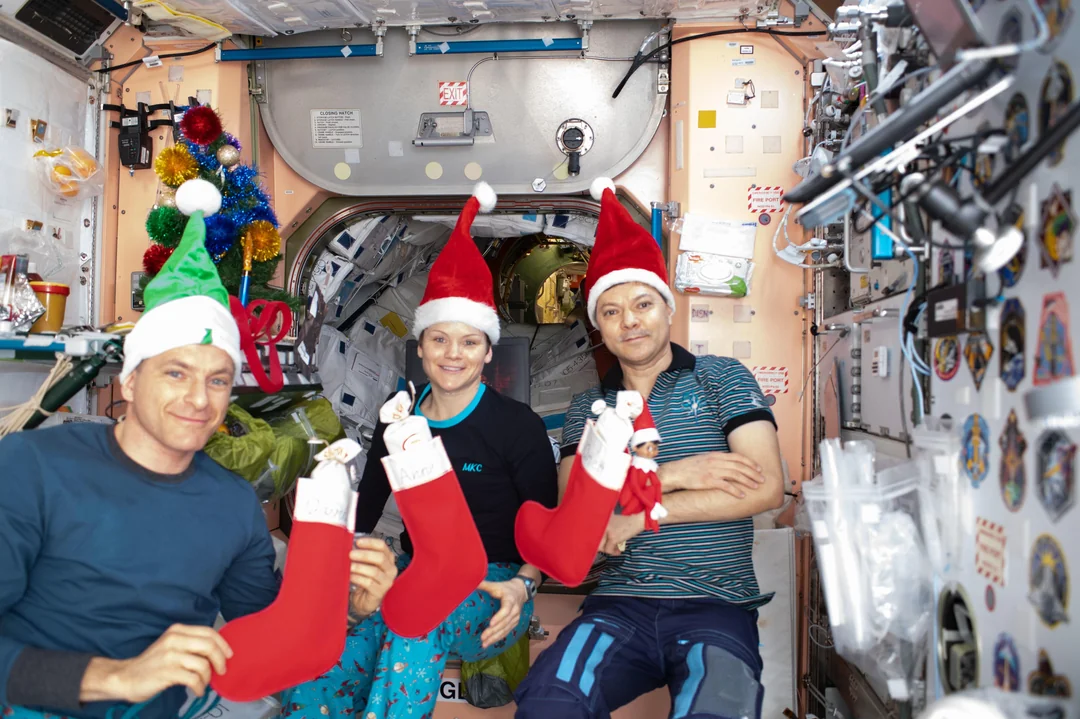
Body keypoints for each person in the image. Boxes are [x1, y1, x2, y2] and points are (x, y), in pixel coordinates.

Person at [0, 184, 397, 719]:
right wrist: (117, 676)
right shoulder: (33, 467)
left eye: (217, 380)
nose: (197, 399)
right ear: (132, 380)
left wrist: (346, 605)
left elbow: (272, 626)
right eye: (176, 373)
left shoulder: (232, 503)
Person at [282, 184, 557, 719]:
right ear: (421, 346)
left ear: (487, 352)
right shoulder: (398, 416)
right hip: (415, 569)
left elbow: (545, 532)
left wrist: (524, 587)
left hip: (498, 584)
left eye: (469, 342)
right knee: (339, 640)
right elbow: (364, 512)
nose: (453, 354)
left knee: (414, 622)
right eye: (439, 340)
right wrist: (341, 574)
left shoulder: (515, 426)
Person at [514, 179, 785, 719]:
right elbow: (578, 524)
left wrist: (640, 512)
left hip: (718, 605)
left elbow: (766, 487)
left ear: (667, 307)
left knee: (718, 710)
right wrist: (686, 472)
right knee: (547, 704)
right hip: (618, 609)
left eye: (641, 303)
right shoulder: (587, 407)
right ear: (599, 326)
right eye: (610, 312)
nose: (629, 320)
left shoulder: (720, 378)